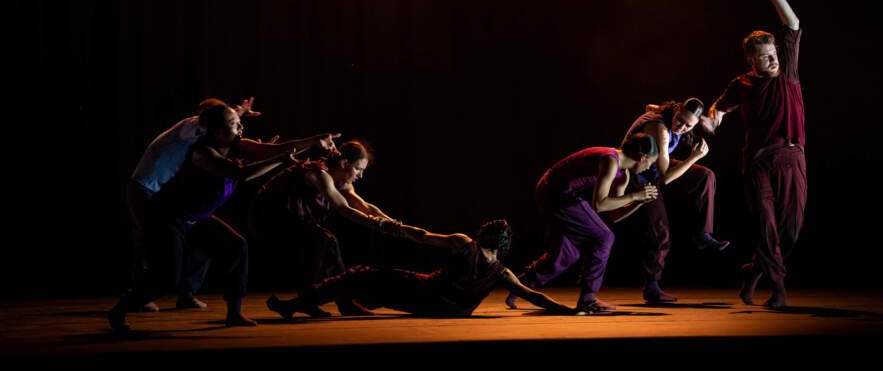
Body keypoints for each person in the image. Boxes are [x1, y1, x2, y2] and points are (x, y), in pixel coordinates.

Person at [108, 103, 336, 331]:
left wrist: (316, 141)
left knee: (236, 246)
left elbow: (285, 149)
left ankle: (234, 313)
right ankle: (121, 308)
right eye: (234, 124)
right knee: (167, 277)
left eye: (239, 123)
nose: (241, 128)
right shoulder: (201, 152)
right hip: (168, 216)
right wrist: (283, 159)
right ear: (216, 130)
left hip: (196, 218)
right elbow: (240, 173)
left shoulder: (240, 147)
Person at [700, 0, 806, 309]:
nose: (774, 58)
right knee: (766, 229)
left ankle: (754, 272)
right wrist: (711, 121)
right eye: (765, 56)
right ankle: (778, 290)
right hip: (758, 162)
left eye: (774, 52)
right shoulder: (741, 84)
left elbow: (792, 23)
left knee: (788, 232)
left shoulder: (788, 71)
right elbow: (719, 108)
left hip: (793, 157)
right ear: (752, 60)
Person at [266, 219, 583, 317]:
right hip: (441, 310)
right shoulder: (502, 272)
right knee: (369, 287)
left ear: (483, 234)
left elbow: (423, 236)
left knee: (360, 275)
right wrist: (569, 310)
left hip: (423, 294)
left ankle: (295, 305)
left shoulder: (464, 243)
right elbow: (533, 296)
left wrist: (392, 226)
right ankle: (344, 305)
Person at [126, 97, 261, 311]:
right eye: (226, 118)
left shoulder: (209, 134)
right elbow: (212, 125)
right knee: (149, 238)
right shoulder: (189, 126)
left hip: (167, 192)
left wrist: (239, 114)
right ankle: (140, 293)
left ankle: (187, 293)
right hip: (145, 187)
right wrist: (237, 113)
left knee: (204, 239)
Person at [505, 135, 660, 312]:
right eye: (651, 163)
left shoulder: (623, 174)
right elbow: (599, 205)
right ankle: (588, 298)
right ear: (642, 156)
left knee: (566, 254)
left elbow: (614, 214)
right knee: (604, 236)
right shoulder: (610, 161)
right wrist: (635, 196)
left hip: (556, 193)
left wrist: (638, 201)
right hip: (555, 192)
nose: (650, 167)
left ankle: (518, 286)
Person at [249, 140, 404, 316]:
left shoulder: (343, 181)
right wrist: (380, 225)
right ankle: (316, 301)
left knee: (327, 245)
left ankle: (337, 302)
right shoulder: (318, 174)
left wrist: (392, 222)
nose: (360, 175)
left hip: (293, 221)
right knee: (322, 240)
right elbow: (344, 208)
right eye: (358, 169)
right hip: (268, 219)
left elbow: (362, 205)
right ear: (345, 163)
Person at [620, 97, 728, 304]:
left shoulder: (668, 112)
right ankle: (651, 288)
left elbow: (649, 106)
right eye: (680, 121)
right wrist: (694, 157)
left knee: (705, 176)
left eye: (689, 125)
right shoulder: (660, 130)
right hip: (639, 175)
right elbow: (665, 178)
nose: (682, 127)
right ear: (676, 110)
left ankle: (702, 234)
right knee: (660, 231)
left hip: (654, 168)